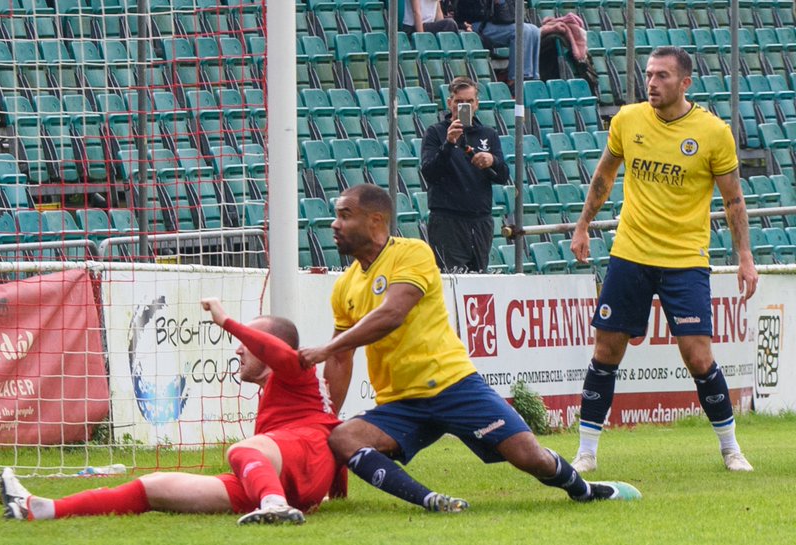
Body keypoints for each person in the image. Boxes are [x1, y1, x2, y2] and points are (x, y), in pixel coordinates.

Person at [297, 184, 640, 513]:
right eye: (336, 216)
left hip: (454, 386)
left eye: (345, 215)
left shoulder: (412, 253)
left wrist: (326, 347)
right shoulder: (345, 286)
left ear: (375, 221)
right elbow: (342, 360)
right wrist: (327, 417)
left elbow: (393, 314)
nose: (334, 224)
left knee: (528, 456)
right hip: (401, 402)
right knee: (343, 438)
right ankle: (431, 501)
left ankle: (585, 491)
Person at [567, 46, 758, 473]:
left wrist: (745, 257)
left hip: (685, 259)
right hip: (630, 254)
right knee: (606, 350)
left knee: (697, 356)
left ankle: (731, 449)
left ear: (685, 83)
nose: (651, 83)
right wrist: (582, 226)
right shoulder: (628, 119)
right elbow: (604, 174)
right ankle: (586, 453)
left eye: (662, 77)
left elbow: (733, 200)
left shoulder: (712, 133)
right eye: (649, 75)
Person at [0, 297, 343, 525]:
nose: (239, 349)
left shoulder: (299, 370)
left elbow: (282, 358)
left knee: (243, 449)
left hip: (295, 464)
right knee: (153, 487)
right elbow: (339, 440)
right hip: (285, 479)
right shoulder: (285, 390)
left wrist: (226, 321)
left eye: (248, 341)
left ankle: (273, 506)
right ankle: (42, 509)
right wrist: (336, 495)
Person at [420, 77, 508, 273]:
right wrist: (449, 144)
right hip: (447, 221)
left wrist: (492, 160)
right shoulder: (436, 132)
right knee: (451, 281)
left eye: (469, 102)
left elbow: (503, 176)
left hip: (480, 220)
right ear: (450, 102)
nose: (464, 106)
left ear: (476, 104)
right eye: (459, 102)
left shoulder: (488, 134)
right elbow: (429, 172)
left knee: (478, 281)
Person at [455, 0, 541, 81]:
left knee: (534, 30)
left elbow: (508, 17)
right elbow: (469, 14)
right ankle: (516, 80)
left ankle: (532, 78)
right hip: (475, 25)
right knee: (522, 30)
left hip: (497, 24)